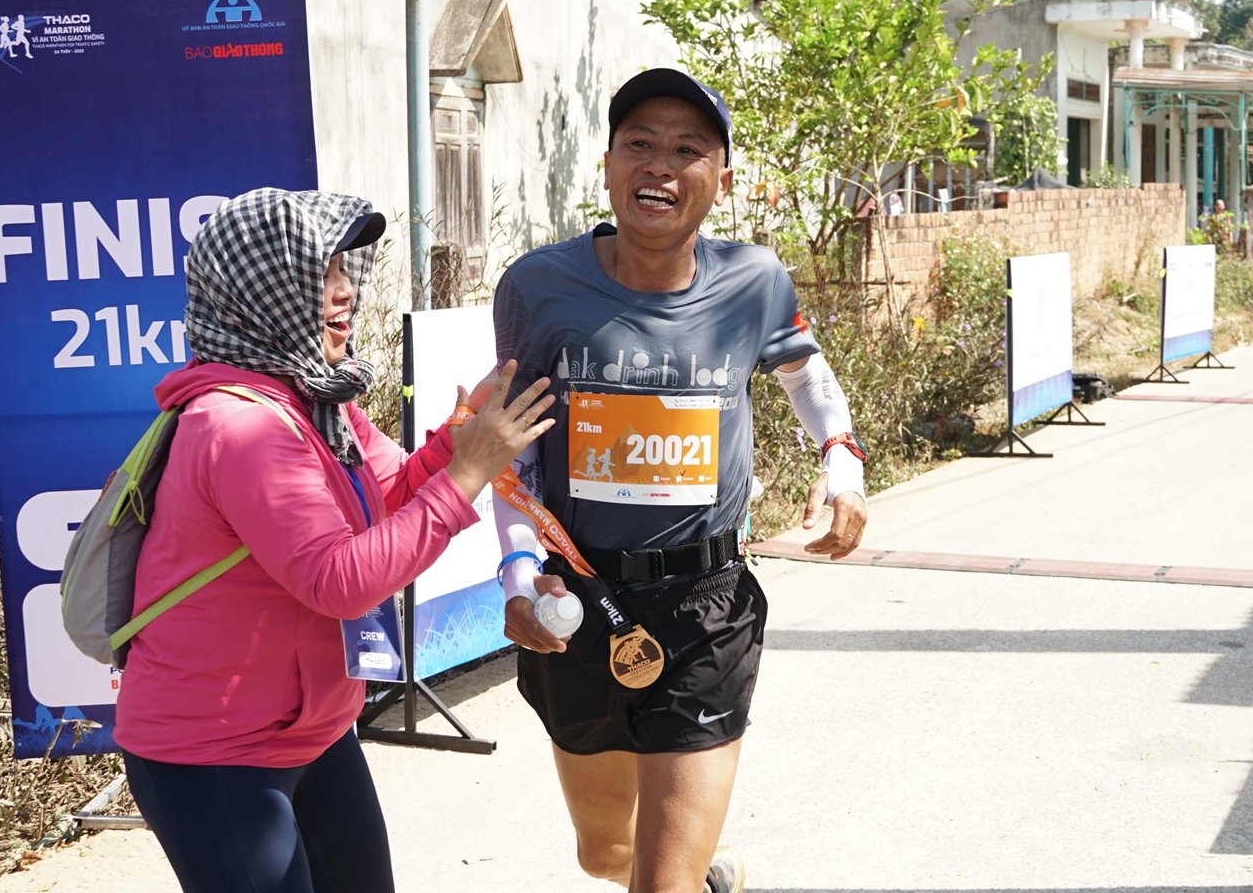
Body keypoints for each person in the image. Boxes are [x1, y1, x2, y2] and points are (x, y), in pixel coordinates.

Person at [484, 68, 869, 893]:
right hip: (577, 600)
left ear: (720, 180)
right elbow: (511, 454)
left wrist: (843, 470)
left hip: (707, 606)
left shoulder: (753, 281)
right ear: (610, 163)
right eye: (640, 146)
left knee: (658, 882)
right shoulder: (537, 287)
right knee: (606, 856)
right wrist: (519, 576)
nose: (659, 166)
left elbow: (806, 378)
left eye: (687, 150)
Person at [113, 187, 555, 893]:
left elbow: (389, 498)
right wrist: (469, 473)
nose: (345, 293)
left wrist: (457, 439)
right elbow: (340, 580)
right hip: (213, 753)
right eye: (319, 276)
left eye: (344, 270)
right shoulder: (239, 425)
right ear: (257, 291)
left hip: (312, 733)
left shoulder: (314, 400)